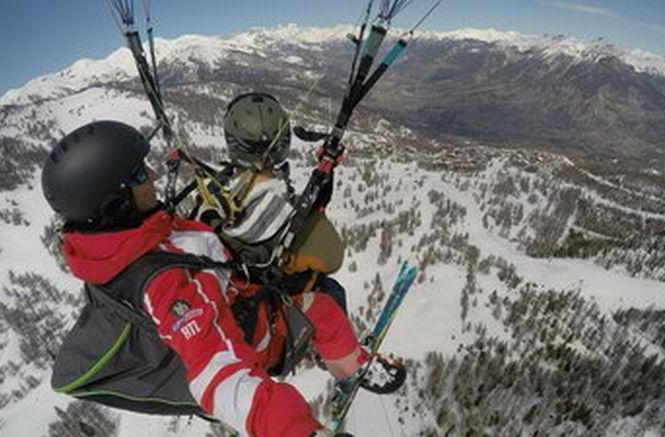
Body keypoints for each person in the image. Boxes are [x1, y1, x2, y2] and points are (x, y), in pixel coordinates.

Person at [42, 120, 404, 437]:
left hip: (240, 303)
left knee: (314, 295)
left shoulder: (125, 243)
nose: (151, 176)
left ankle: (343, 363)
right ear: (114, 205)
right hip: (251, 338)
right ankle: (353, 369)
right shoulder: (161, 284)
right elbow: (220, 374)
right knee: (323, 302)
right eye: (138, 175)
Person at [192, 92, 348, 311]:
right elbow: (332, 258)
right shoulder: (292, 215)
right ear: (283, 144)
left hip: (227, 303)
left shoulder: (211, 200)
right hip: (275, 313)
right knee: (331, 289)